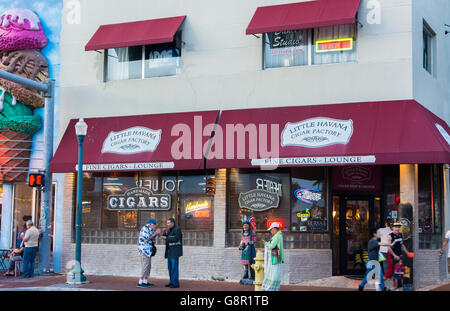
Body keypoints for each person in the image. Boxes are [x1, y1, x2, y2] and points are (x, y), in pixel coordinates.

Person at [137, 218, 160, 288]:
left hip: (148, 251)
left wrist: (156, 234)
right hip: (144, 250)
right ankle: (140, 282)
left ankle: (145, 281)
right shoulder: (145, 229)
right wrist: (155, 233)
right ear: (150, 224)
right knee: (145, 266)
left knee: (148, 266)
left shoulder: (150, 229)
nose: (155, 225)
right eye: (154, 224)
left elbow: (152, 239)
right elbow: (146, 239)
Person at [261, 222, 284, 291]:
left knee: (273, 273)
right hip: (277, 257)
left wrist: (265, 243)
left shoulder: (277, 236)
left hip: (275, 258)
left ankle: (271, 288)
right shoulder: (279, 236)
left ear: (274, 229)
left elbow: (272, 246)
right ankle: (274, 288)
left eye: (271, 230)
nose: (271, 231)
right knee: (275, 273)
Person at [161, 218, 183, 288]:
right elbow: (168, 238)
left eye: (168, 223)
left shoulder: (177, 229)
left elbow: (176, 238)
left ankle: (175, 283)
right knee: (170, 267)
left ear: (172, 223)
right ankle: (171, 282)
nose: (167, 224)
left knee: (174, 268)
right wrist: (164, 233)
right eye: (167, 223)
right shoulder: (169, 230)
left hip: (175, 251)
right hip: (169, 251)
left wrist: (166, 238)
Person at [239, 216, 256, 283]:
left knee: (250, 262)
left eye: (246, 225)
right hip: (244, 249)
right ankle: (245, 275)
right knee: (245, 263)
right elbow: (242, 240)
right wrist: (240, 245)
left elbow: (254, 240)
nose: (245, 227)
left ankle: (252, 276)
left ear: (249, 226)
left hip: (250, 249)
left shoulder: (252, 232)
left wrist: (249, 243)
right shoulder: (242, 233)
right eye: (244, 225)